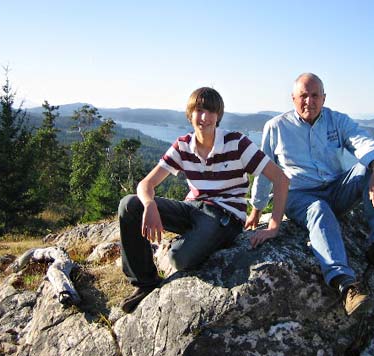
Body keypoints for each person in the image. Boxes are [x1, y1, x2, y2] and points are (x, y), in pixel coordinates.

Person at [246, 73, 374, 316]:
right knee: (318, 209)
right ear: (293, 98)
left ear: (324, 98)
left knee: (369, 167)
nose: (309, 101)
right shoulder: (276, 127)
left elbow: (362, 141)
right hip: (299, 196)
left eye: (314, 96)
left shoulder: (337, 121)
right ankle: (345, 284)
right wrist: (257, 210)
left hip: (335, 188)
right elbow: (264, 171)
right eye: (303, 96)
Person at [119, 87, 289, 313]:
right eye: (199, 110)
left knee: (178, 258)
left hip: (224, 216)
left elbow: (280, 179)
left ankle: (197, 242)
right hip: (193, 209)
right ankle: (145, 282)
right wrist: (149, 205)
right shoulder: (183, 145)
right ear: (190, 114)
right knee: (130, 205)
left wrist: (274, 226)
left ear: (218, 115)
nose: (205, 117)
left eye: (210, 111)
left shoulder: (236, 143)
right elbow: (146, 184)